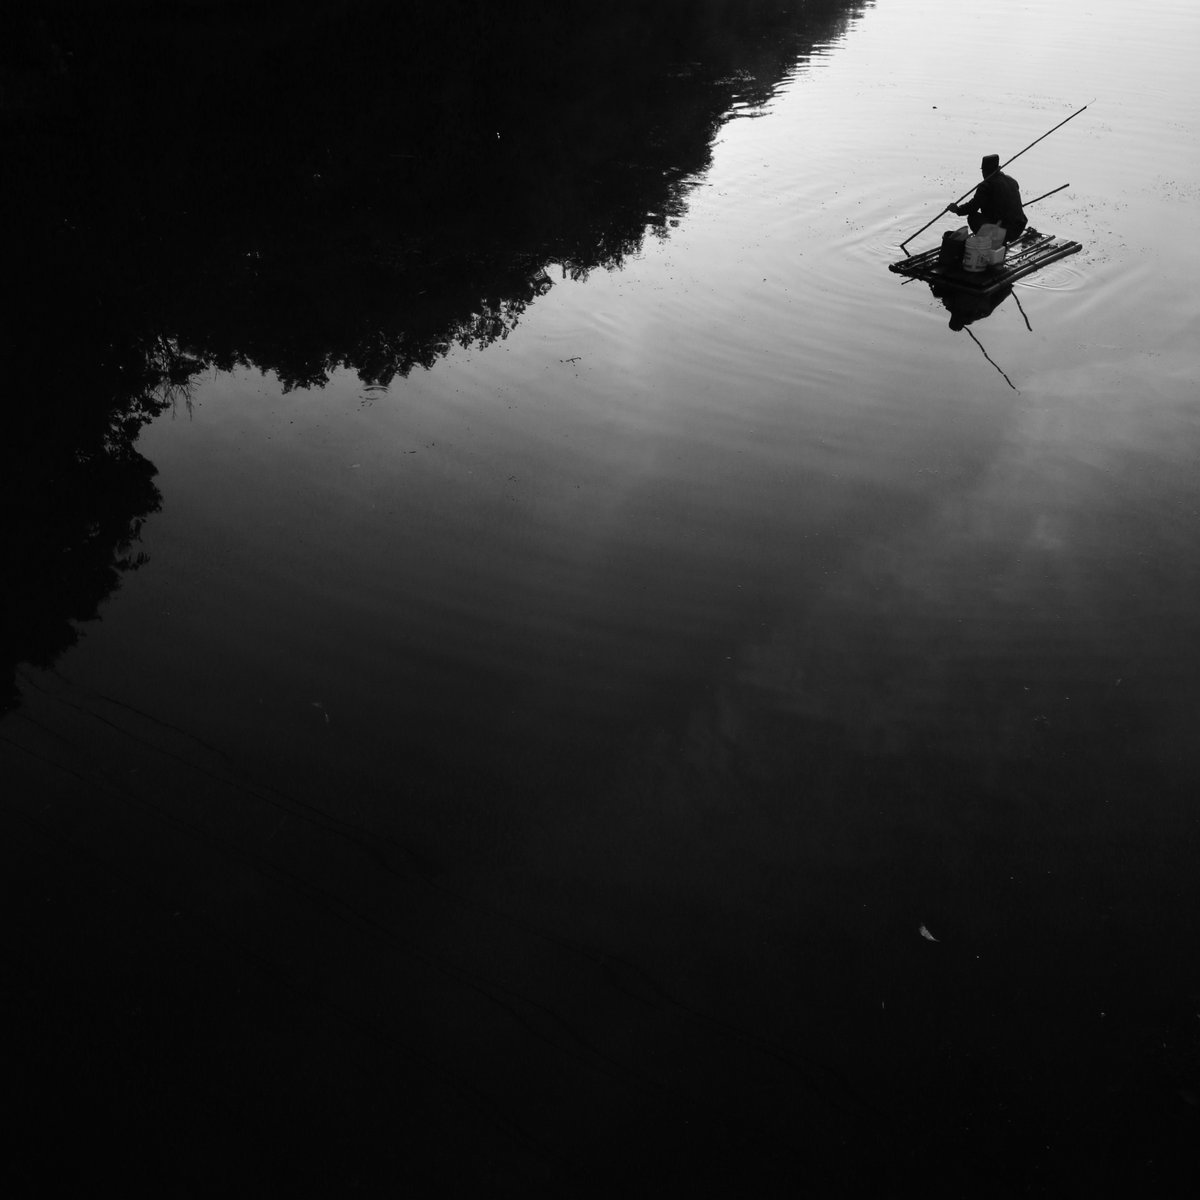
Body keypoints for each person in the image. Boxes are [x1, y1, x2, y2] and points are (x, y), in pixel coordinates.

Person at [946, 154, 1027, 243]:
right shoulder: (1012, 181)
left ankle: (992, 242)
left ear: (984, 171)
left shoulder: (986, 185)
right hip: (1018, 228)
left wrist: (957, 209)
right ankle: (999, 240)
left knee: (973, 217)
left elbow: (972, 207)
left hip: (1005, 232)